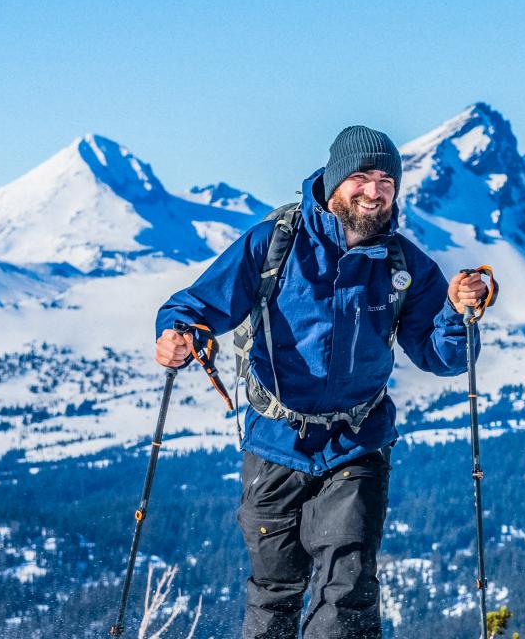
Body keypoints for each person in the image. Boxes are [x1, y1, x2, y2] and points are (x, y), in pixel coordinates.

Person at [155, 125, 491, 639]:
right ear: (335, 180)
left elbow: (442, 358)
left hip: (357, 442)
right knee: (274, 591)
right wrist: (178, 335)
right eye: (360, 177)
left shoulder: (405, 264)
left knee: (348, 589)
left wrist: (455, 313)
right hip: (275, 441)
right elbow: (197, 306)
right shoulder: (276, 243)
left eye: (385, 180)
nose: (373, 191)